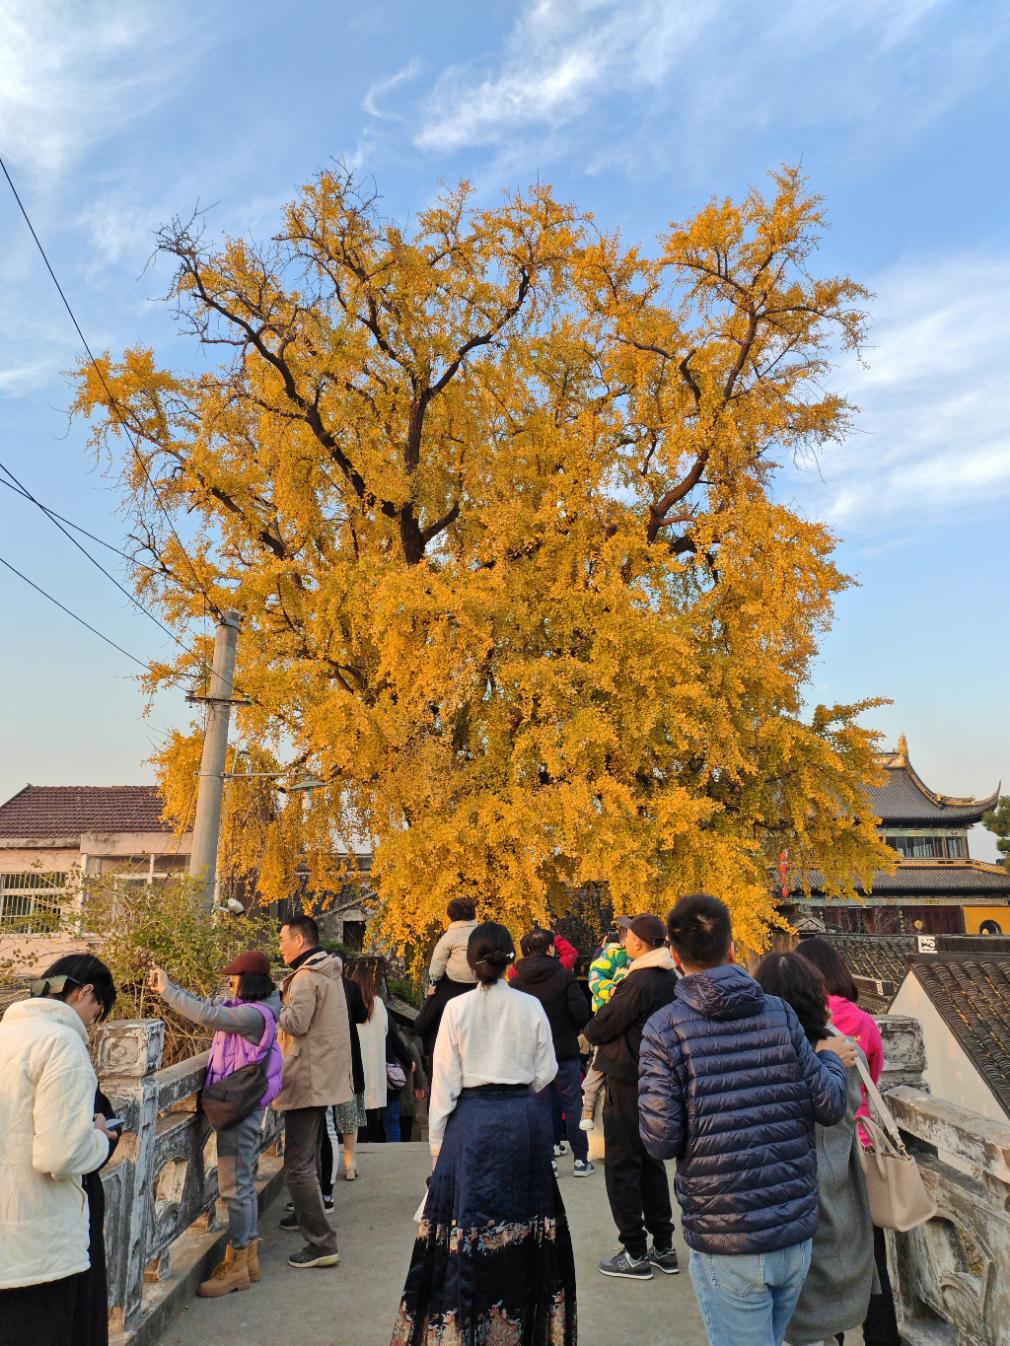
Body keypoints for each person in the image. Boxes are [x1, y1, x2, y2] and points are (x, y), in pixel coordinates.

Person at [639, 894, 852, 1346]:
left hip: (726, 1233)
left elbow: (659, 1140)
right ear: (732, 947)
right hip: (792, 1229)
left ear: (674, 957)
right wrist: (830, 1061)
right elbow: (829, 1105)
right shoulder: (780, 1014)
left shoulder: (664, 1029)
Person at [389, 922, 576, 1345]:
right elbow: (546, 1071)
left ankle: (465, 1328)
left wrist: (437, 1144)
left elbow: (445, 1084)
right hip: (523, 1123)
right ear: (511, 959)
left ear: (471, 962)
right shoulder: (529, 1007)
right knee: (526, 1225)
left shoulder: (456, 1009)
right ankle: (522, 1325)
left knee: (466, 1227)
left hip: (471, 1123)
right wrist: (519, 1087)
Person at [754, 952, 875, 1346]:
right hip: (835, 1189)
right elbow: (848, 1108)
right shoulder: (841, 1048)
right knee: (829, 1299)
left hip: (778, 1195)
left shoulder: (760, 1053)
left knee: (790, 1306)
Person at [0, 953, 117, 1345]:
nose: (91, 1024)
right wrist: (100, 1137)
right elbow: (59, 1155)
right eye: (96, 1012)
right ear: (86, 993)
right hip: (41, 1249)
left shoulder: (7, 1033)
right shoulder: (62, 1042)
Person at [149, 951, 283, 1295]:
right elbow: (210, 1006)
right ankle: (248, 1255)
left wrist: (167, 990)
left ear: (248, 982)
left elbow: (208, 1015)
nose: (229, 984)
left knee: (234, 1186)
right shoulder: (257, 1006)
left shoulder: (254, 1015)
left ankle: (237, 1264)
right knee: (243, 1181)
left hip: (237, 1107)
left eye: (234, 979)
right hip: (244, 1104)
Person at [797, 937, 897, 1346]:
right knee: (872, 1260)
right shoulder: (864, 1022)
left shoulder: (796, 1023)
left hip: (812, 1153)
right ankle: (882, 1336)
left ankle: (830, 1334)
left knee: (821, 1262)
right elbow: (872, 1080)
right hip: (859, 1150)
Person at [583, 913, 679, 1279]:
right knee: (651, 1163)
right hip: (656, 1078)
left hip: (627, 1079)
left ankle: (635, 1252)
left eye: (627, 936)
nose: (622, 941)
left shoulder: (639, 980)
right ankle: (663, 1246)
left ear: (639, 943)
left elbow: (602, 1024)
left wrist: (592, 1028)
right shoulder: (670, 977)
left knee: (622, 1166)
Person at [275, 915, 352, 1270]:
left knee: (297, 1166)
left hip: (306, 1076)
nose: (281, 947)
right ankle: (309, 1220)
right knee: (310, 1158)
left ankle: (321, 1243)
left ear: (300, 940)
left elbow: (295, 1023)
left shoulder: (306, 978)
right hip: (323, 1075)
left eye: (283, 940)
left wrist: (276, 1003)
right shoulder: (330, 973)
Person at [511, 927, 594, 1175]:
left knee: (539, 1106)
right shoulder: (564, 976)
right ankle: (581, 1160)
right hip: (564, 1051)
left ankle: (548, 1160)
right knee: (572, 1104)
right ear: (550, 948)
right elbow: (581, 1011)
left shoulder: (516, 980)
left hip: (533, 1055)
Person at [413, 899, 478, 1069]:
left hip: (453, 980)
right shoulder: (480, 934)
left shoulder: (449, 936)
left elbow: (438, 962)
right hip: (478, 980)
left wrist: (433, 982)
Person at [581, 920, 632, 1130]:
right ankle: (589, 1109)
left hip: (614, 1013)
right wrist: (613, 991)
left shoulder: (609, 956)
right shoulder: (616, 955)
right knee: (600, 1063)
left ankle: (590, 1109)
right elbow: (596, 976)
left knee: (601, 1064)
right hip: (610, 1015)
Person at [349, 958, 393, 1141]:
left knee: (355, 1121)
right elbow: (385, 1031)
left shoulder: (349, 1005)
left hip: (356, 1069)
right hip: (374, 1071)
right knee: (373, 1118)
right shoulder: (379, 1004)